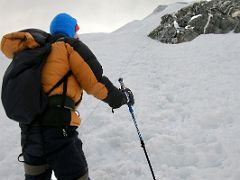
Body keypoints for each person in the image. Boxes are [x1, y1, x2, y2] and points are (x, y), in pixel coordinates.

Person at [1, 13, 134, 180]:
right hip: (58, 130)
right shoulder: (68, 46)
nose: (77, 33)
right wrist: (122, 98)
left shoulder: (36, 53)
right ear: (70, 29)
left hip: (29, 133)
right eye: (76, 29)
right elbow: (95, 82)